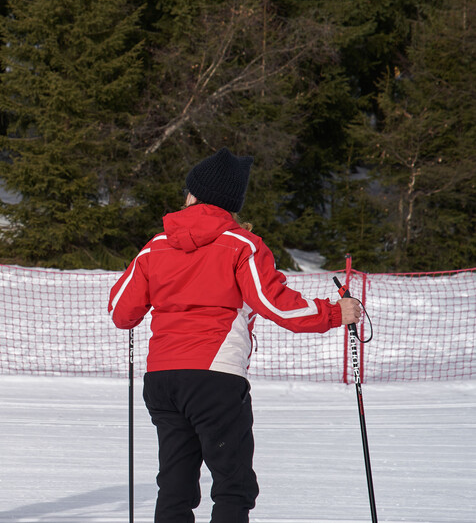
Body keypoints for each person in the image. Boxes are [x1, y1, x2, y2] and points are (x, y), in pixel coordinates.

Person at [108, 148, 362, 523]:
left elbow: (121, 312)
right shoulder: (242, 244)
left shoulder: (155, 246)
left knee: (175, 487)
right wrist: (335, 312)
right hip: (215, 378)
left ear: (193, 194)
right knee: (233, 485)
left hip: (163, 380)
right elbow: (275, 304)